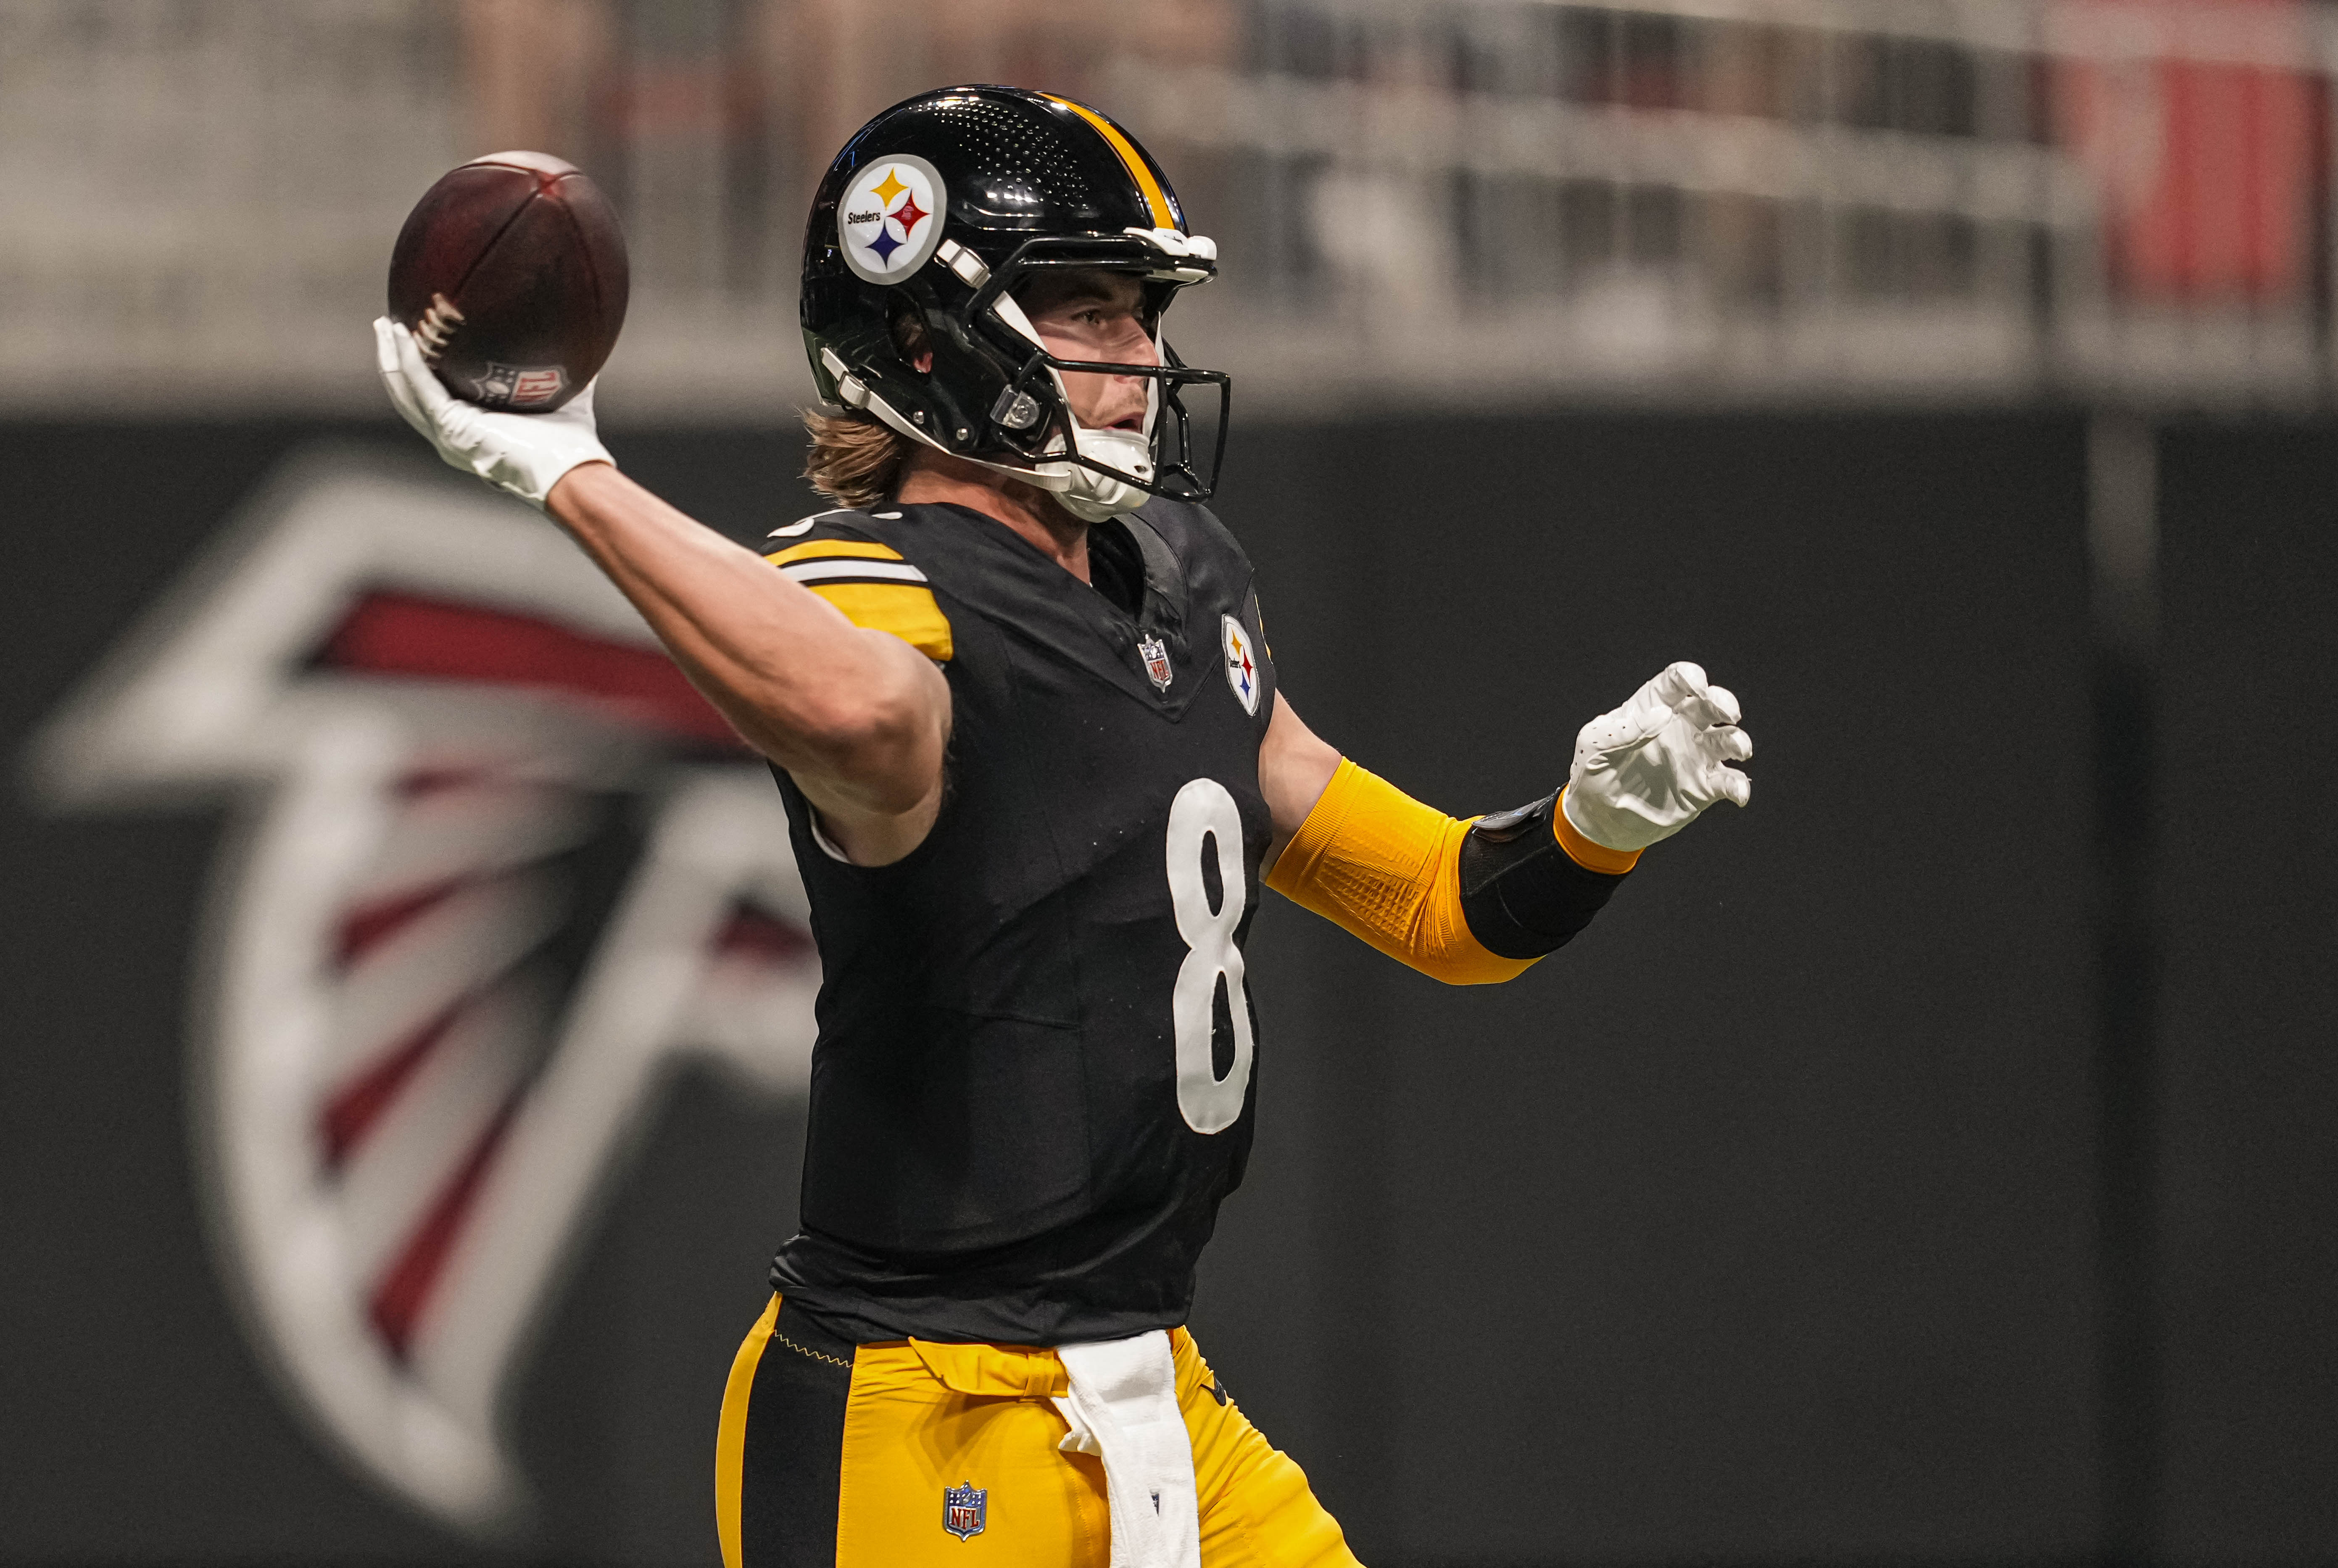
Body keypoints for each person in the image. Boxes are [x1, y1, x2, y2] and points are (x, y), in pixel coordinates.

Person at [374, 84, 1750, 1568]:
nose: (1141, 358)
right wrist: (567, 471)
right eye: (1089, 311)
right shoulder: (874, 574)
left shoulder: (1184, 574)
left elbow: (1442, 910)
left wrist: (1587, 827)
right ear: (926, 338)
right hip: (919, 1410)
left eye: (1144, 314)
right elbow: (871, 720)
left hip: (1152, 1387)